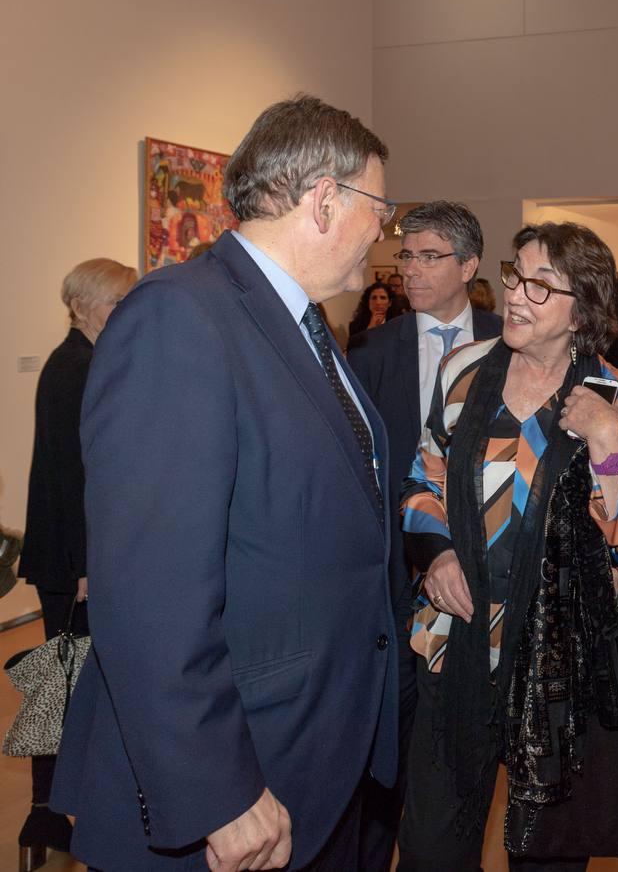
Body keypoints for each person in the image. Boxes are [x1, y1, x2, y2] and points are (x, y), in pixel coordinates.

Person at [51, 95, 399, 871]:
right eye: (380, 206)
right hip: (236, 776)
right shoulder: (180, 317)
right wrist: (216, 789)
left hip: (315, 752)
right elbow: (148, 591)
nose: (384, 230)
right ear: (324, 199)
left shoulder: (301, 326)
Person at [396, 221, 618, 871]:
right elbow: (422, 479)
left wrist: (607, 445)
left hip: (556, 666)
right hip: (453, 647)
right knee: (431, 845)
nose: (515, 295)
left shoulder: (616, 394)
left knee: (546, 852)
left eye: (542, 286)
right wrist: (438, 555)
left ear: (584, 308)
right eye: (516, 275)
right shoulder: (464, 371)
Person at [347, 200, 503, 871]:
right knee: (388, 734)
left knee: (463, 743)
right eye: (404, 255)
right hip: (390, 576)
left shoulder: (511, 339)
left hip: (479, 578)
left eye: (428, 255)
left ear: (468, 266)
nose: (409, 268)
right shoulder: (372, 348)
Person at [17, 257, 137, 864]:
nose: (125, 314)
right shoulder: (76, 367)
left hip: (68, 556)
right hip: (72, 561)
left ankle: (51, 814)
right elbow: (71, 477)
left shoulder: (78, 359)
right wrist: (86, 564)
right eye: (119, 302)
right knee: (63, 683)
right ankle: (48, 812)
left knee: (64, 678)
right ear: (90, 304)